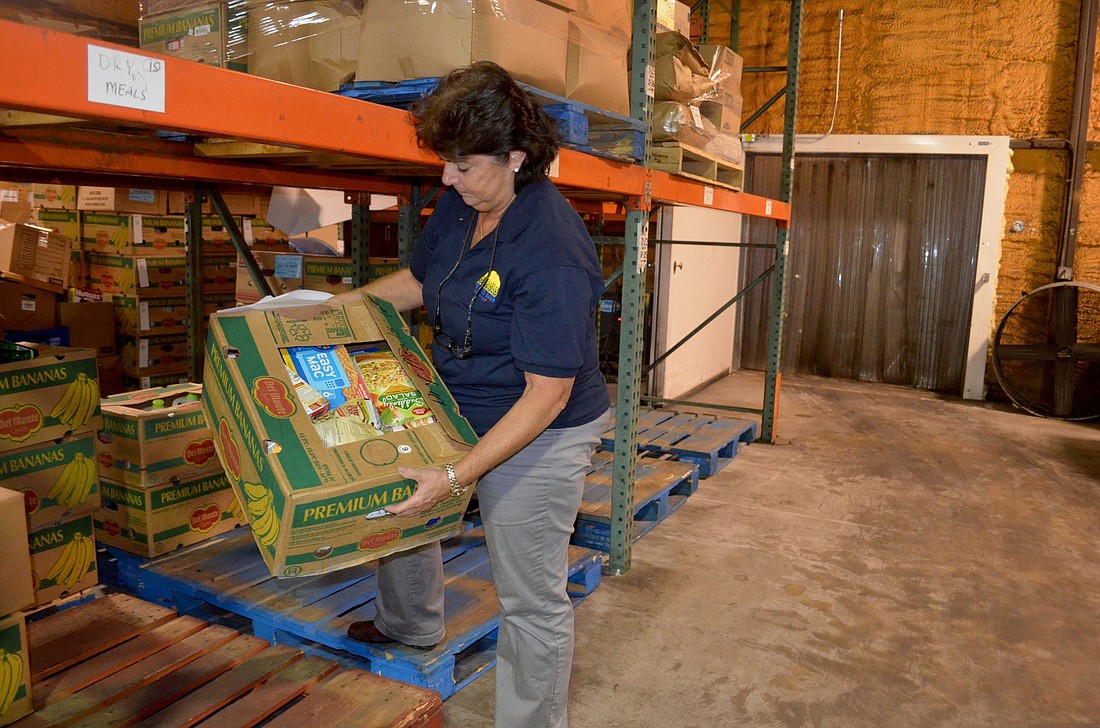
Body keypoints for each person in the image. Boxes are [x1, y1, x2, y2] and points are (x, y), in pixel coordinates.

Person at [329, 61, 611, 728]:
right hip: (461, 391)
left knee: (530, 599)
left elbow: (546, 395)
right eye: (446, 164)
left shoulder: (552, 249)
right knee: (401, 499)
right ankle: (409, 624)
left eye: (464, 166)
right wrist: (335, 313)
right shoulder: (465, 202)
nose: (447, 179)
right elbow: (420, 283)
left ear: (515, 158)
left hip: (541, 427)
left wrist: (455, 475)